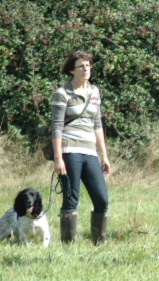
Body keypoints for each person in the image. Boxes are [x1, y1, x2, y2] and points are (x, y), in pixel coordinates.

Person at [52, 51, 111, 245]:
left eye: (88, 65)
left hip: (90, 151)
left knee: (102, 200)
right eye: (81, 66)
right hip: (70, 150)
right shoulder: (62, 93)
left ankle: (99, 244)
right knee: (71, 199)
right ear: (72, 70)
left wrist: (104, 155)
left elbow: (97, 124)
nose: (86, 69)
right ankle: (69, 247)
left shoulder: (94, 91)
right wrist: (59, 158)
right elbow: (57, 127)